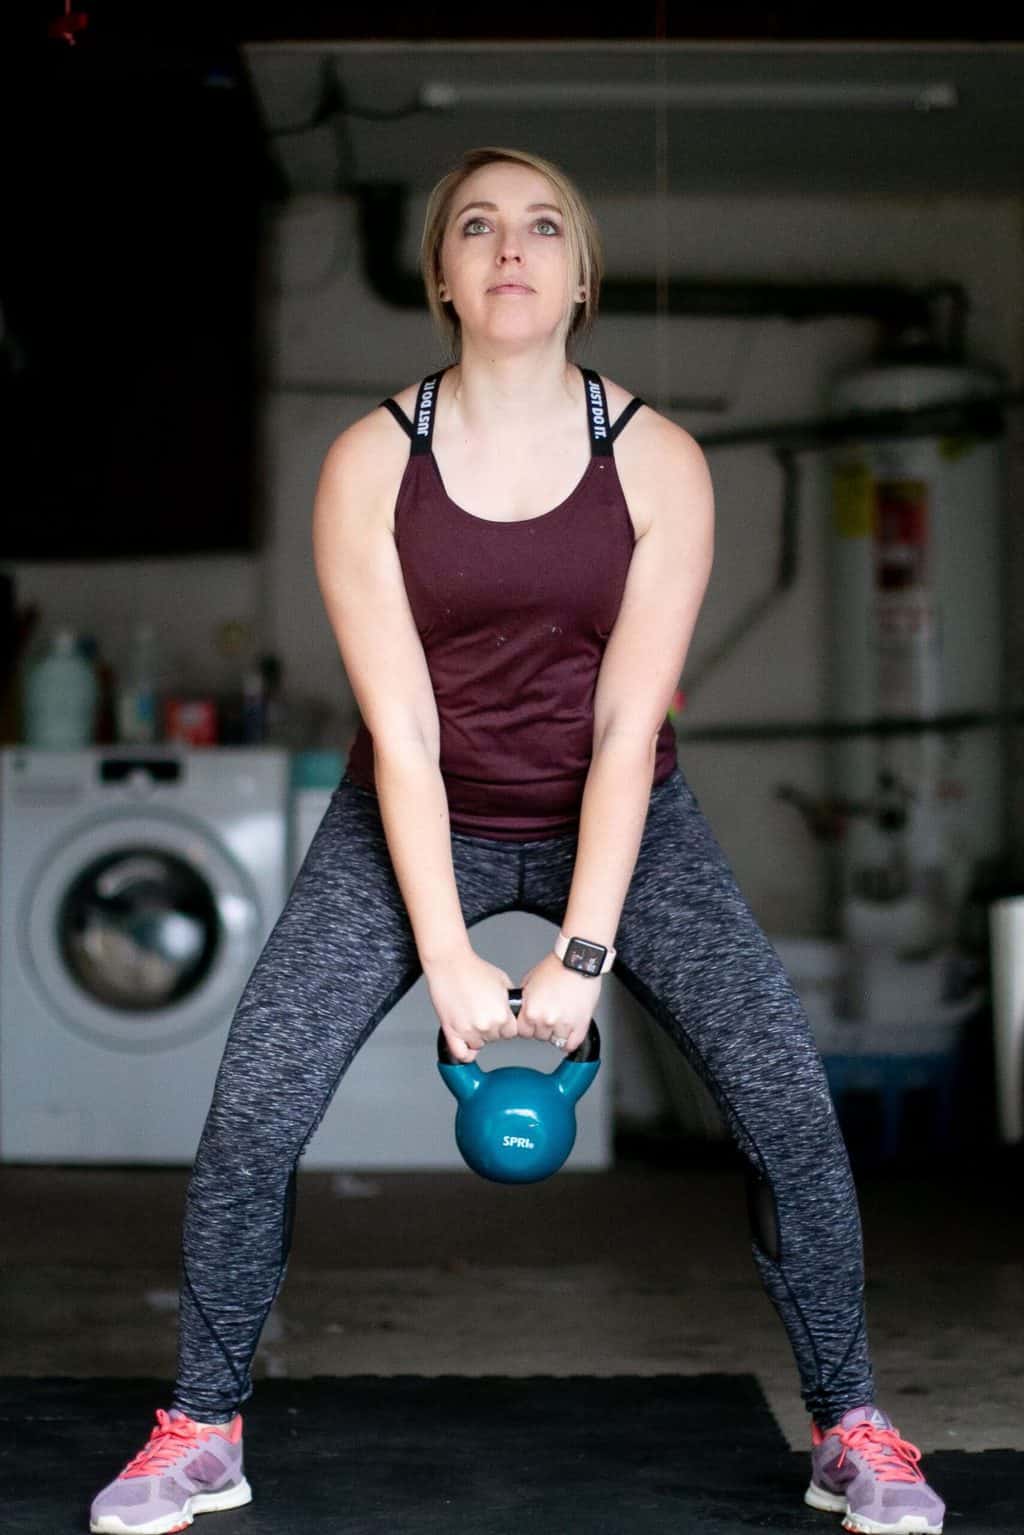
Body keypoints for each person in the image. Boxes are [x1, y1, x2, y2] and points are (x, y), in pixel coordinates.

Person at [90, 146, 945, 1535]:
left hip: (627, 822)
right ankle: (201, 1424)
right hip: (413, 817)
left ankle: (854, 1424)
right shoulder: (371, 462)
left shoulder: (661, 461)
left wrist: (583, 954)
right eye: (476, 225)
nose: (510, 246)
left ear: (581, 273)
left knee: (789, 1103)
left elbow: (624, 730)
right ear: (439, 272)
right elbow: (408, 738)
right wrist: (446, 956)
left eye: (544, 225)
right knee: (254, 1108)